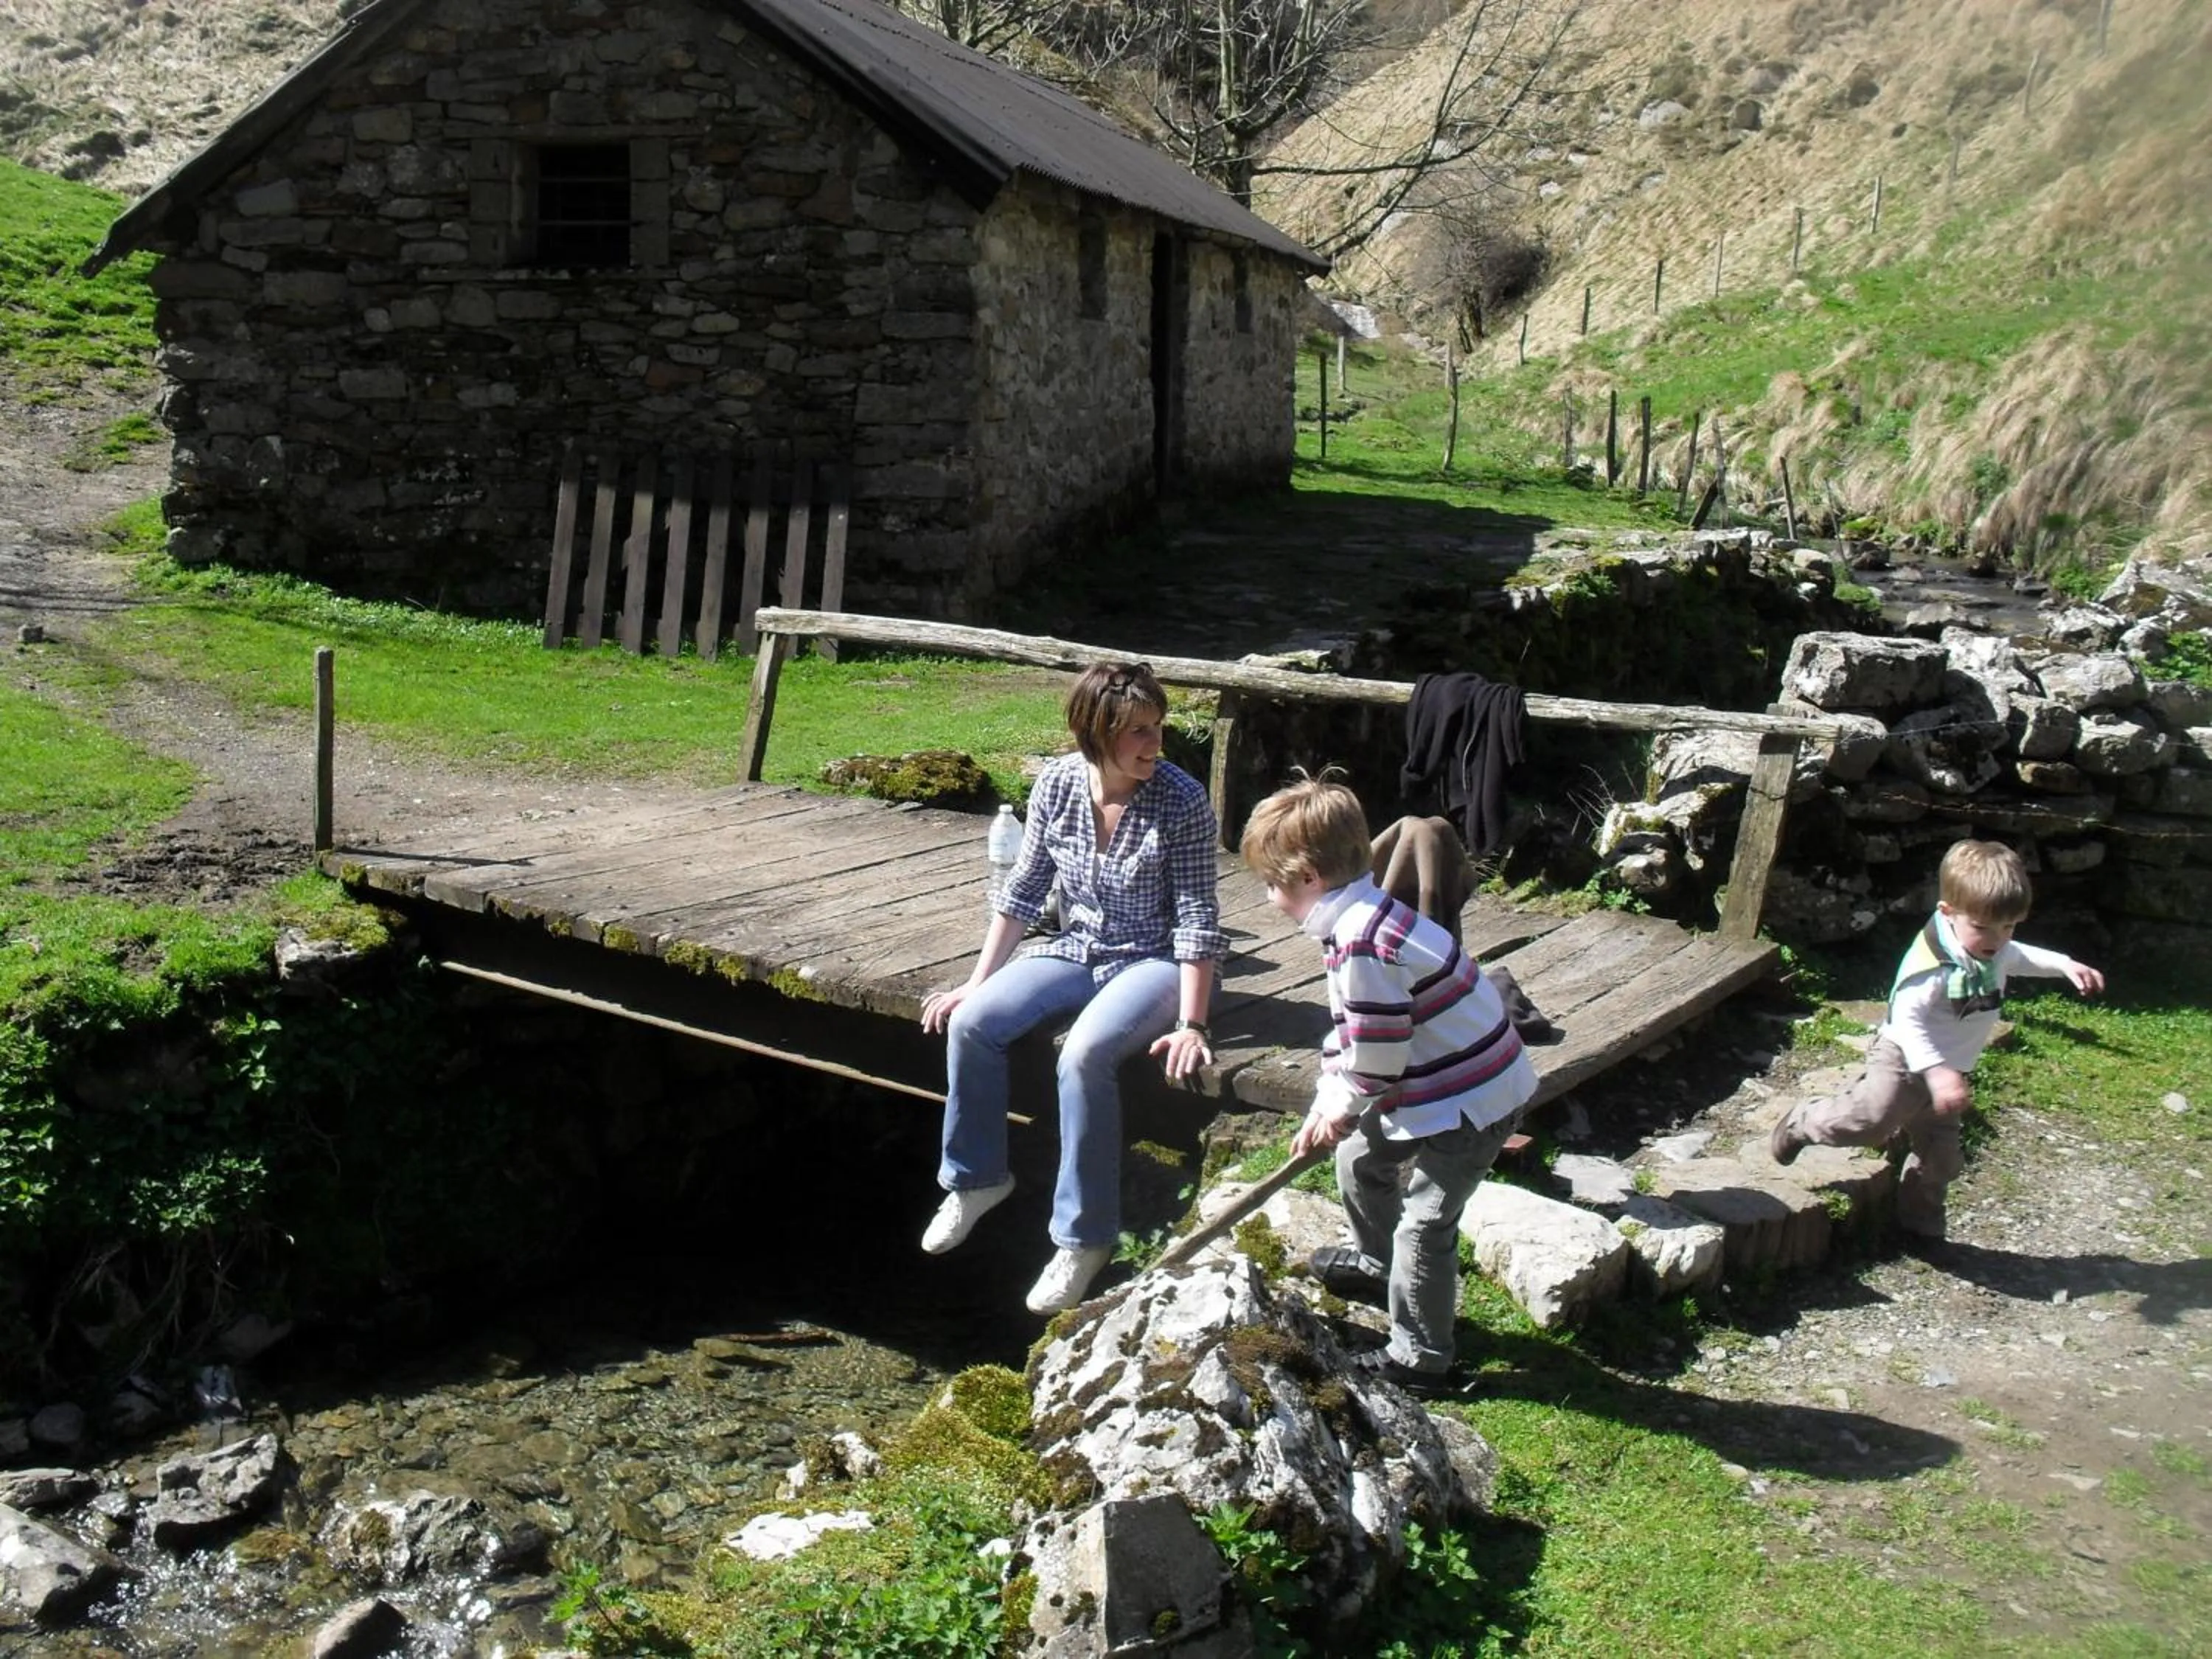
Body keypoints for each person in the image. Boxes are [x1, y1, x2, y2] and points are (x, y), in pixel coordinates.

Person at [919, 662, 1225, 1314]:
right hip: (1075, 947)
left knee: (1083, 1053)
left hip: (1155, 961)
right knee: (977, 1022)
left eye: (1158, 728)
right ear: (1096, 732)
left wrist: (1192, 1024)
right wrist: (977, 982)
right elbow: (1023, 892)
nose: (1155, 744)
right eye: (1139, 731)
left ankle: (1083, 1239)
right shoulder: (1057, 784)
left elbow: (1199, 917)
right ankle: (976, 1180)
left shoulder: (1181, 798)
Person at [1240, 774, 1537, 1398]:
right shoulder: (1359, 915)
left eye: (1273, 884)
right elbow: (1354, 1030)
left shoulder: (1362, 942)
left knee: (1426, 1225)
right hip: (1436, 1077)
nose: (1269, 898)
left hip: (1476, 1098)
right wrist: (1331, 1100)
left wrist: (1339, 1103)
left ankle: (1423, 1358)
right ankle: (1378, 1266)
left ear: (1307, 879)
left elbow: (1376, 1061)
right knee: (1357, 1157)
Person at [1770, 838, 2104, 1239]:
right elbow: (1909, 1025)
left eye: (2008, 926)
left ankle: (1918, 1222)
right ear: (1948, 912)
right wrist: (1939, 1073)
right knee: (1867, 1123)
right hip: (1904, 1062)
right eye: (1982, 927)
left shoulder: (1990, 948)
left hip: (1947, 1075)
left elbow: (2018, 956)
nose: (1996, 939)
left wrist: (2066, 965)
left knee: (1942, 1158)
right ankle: (1801, 1123)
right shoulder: (1934, 967)